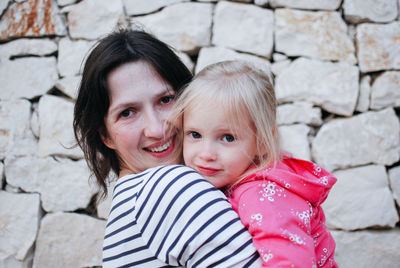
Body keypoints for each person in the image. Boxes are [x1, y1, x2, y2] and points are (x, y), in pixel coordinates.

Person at [73, 29, 261, 267]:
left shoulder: (132, 199)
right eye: (127, 113)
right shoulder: (170, 188)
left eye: (165, 100)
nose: (156, 129)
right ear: (105, 135)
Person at [170, 60, 338, 267]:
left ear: (262, 142)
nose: (206, 154)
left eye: (227, 138)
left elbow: (291, 263)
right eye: (195, 134)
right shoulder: (240, 180)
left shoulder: (263, 195)